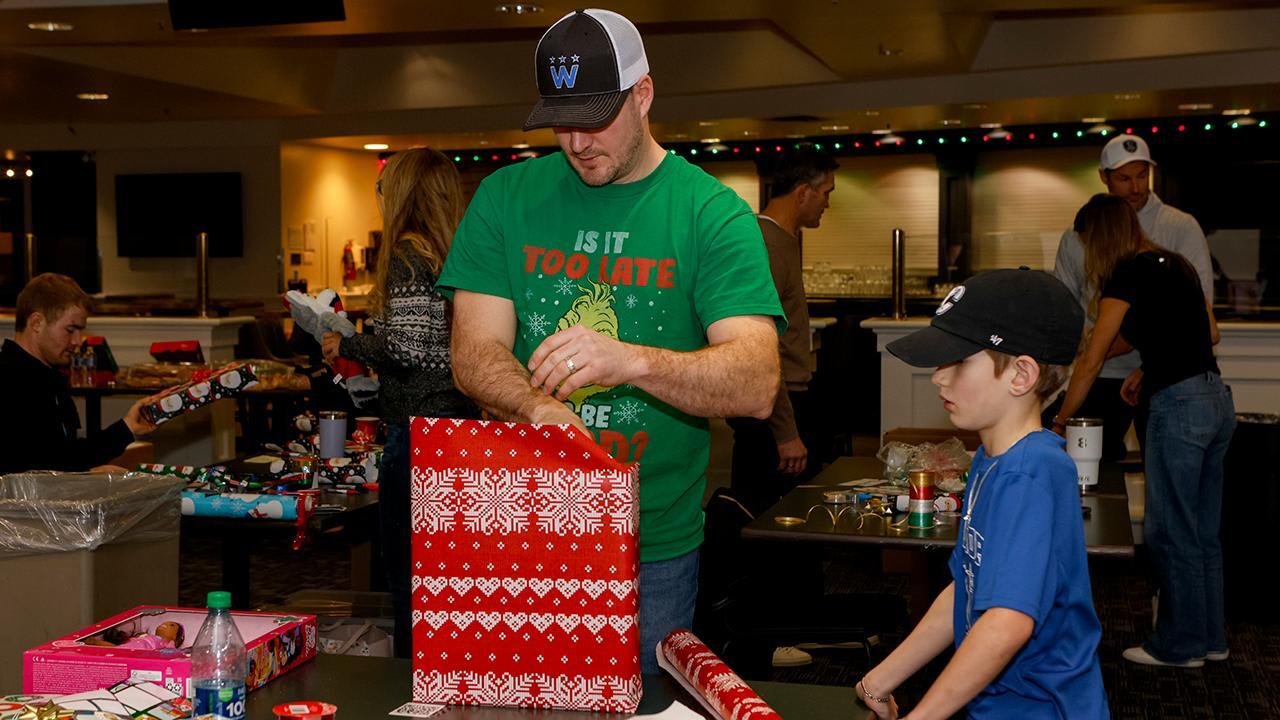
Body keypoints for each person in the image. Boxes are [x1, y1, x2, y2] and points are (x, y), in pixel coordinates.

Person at [436, 8, 783, 674]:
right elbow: (474, 353)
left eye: (595, 117)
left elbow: (757, 382)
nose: (575, 141)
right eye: (560, 120)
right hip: (518, 523)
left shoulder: (708, 213)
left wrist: (629, 360)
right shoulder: (506, 197)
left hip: (649, 542)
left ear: (643, 94)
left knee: (638, 704)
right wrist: (539, 411)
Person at [859, 268, 1108, 718]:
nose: (938, 378)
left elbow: (1006, 623)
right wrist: (880, 680)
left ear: (1021, 375)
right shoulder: (989, 460)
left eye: (958, 361)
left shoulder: (1032, 471)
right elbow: (966, 591)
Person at [1055, 194, 1233, 669]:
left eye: (1087, 240)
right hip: (1216, 400)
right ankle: (1210, 638)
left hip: (1180, 408)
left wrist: (1059, 418)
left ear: (1101, 237)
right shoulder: (1174, 264)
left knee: (1169, 531)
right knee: (1202, 533)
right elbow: (1206, 334)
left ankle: (1178, 646)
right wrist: (1144, 369)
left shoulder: (1127, 272)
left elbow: (1092, 356)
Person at [321, 147, 478, 657]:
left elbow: (407, 347)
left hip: (418, 434)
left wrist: (344, 343)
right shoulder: (454, 249)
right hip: (459, 428)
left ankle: (411, 686)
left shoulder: (408, 253)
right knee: (446, 578)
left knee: (409, 577)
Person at [1050, 133, 1213, 460]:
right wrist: (1091, 342)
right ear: (1104, 178)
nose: (1136, 187)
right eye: (1125, 178)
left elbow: (1197, 317)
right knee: (1093, 472)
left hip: (1158, 378)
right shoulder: (1080, 232)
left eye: (1142, 175)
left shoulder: (1178, 228)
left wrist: (1115, 351)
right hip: (1108, 376)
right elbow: (1065, 302)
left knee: (1165, 482)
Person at [727, 145, 837, 514]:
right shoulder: (766, 245)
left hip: (784, 400)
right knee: (769, 517)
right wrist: (785, 432)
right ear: (803, 192)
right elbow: (760, 349)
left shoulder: (783, 240)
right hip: (771, 407)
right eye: (826, 194)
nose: (826, 204)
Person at [0, 273, 157, 475]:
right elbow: (25, 471)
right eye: (70, 329)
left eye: (80, 331)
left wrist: (128, 427)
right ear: (36, 322)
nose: (77, 341)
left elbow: (65, 454)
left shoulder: (47, 376)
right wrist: (90, 476)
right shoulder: (8, 380)